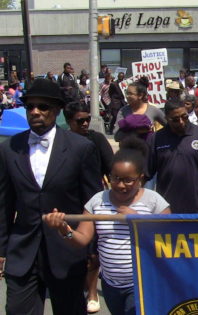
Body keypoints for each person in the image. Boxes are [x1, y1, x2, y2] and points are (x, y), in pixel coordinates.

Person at [0, 78, 103, 314]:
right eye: (30, 107)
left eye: (43, 107)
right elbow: (3, 204)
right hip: (23, 250)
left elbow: (92, 202)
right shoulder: (9, 149)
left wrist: (92, 249)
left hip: (66, 250)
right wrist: (1, 249)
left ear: (56, 111)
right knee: (17, 309)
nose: (35, 112)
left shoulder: (80, 148)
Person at [44, 137, 170, 315]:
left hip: (143, 283)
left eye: (128, 180)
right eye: (115, 178)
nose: (120, 185)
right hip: (111, 284)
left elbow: (169, 239)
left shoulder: (154, 201)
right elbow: (82, 239)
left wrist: (139, 221)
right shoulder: (97, 201)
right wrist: (64, 230)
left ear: (140, 178)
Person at [63, 101, 114, 313]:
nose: (85, 124)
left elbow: (111, 167)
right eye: (79, 121)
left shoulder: (96, 139)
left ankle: (92, 291)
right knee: (71, 248)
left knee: (93, 252)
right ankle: (75, 288)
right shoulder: (61, 142)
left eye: (87, 120)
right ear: (68, 122)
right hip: (67, 204)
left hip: (94, 202)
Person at [147, 100, 198, 213]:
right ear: (167, 118)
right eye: (176, 119)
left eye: (184, 117)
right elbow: (146, 173)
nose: (181, 122)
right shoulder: (156, 139)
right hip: (167, 208)